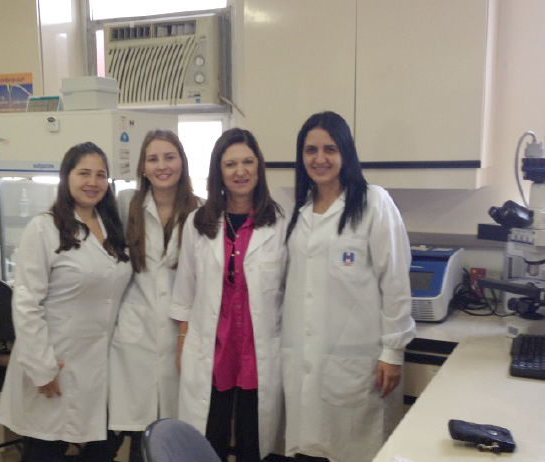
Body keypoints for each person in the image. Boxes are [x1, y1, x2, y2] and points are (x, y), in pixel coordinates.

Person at [281, 112, 416, 462]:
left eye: (330, 149)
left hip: (360, 363)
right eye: (310, 150)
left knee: (358, 451)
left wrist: (393, 353)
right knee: (310, 451)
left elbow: (396, 282)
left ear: (346, 153)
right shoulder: (300, 210)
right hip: (306, 360)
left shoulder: (373, 203)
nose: (319, 159)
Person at [0, 142, 132, 462]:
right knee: (46, 449)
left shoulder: (113, 227)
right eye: (84, 173)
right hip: (54, 362)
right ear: (66, 177)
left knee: (104, 447)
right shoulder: (44, 228)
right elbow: (27, 303)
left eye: (101, 175)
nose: (93, 182)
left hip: (101, 365)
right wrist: (41, 367)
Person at [169, 128, 287, 462]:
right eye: (230, 164)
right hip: (211, 351)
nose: (240, 171)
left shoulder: (279, 222)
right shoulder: (198, 223)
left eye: (248, 162)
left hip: (257, 354)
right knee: (209, 441)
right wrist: (183, 346)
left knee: (253, 444)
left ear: (259, 167)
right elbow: (185, 293)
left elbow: (287, 293)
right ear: (218, 171)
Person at [108, 130, 200, 462]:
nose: (162, 166)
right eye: (153, 159)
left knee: (175, 437)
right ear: (143, 168)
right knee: (140, 440)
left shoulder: (201, 211)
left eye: (169, 157)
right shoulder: (125, 205)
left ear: (182, 163)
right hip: (135, 339)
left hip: (181, 336)